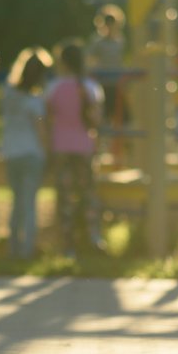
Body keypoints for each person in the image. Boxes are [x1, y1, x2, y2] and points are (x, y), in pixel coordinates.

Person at [46, 42, 106, 258]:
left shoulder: (53, 87)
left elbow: (48, 118)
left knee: (65, 196)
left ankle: (67, 244)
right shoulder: (90, 87)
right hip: (84, 146)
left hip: (60, 146)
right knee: (88, 193)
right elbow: (96, 119)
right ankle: (92, 236)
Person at [1, 47, 53, 259]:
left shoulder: (9, 94)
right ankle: (27, 250)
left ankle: (13, 246)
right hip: (31, 153)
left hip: (11, 152)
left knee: (16, 201)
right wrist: (48, 152)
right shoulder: (35, 101)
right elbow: (41, 131)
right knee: (29, 202)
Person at [87, 5, 130, 126]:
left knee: (123, 117)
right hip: (104, 83)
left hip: (118, 83)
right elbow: (90, 60)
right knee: (104, 116)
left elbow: (123, 61)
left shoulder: (121, 41)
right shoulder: (98, 43)